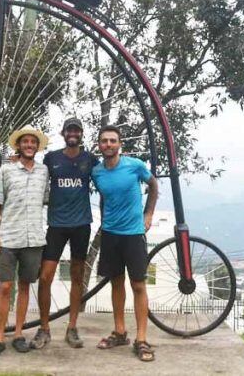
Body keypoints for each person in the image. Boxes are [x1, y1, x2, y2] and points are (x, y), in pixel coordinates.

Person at [29, 117, 98, 350]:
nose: (73, 133)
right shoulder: (51, 159)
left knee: (77, 277)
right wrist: (17, 159)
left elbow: (108, 175)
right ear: (63, 132)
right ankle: (44, 328)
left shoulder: (89, 159)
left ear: (81, 134)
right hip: (56, 225)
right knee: (46, 276)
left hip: (81, 225)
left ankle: (72, 327)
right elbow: (34, 174)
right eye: (69, 129)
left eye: (77, 130)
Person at [91, 124, 158, 362]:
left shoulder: (134, 166)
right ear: (99, 145)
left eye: (112, 141)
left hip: (133, 234)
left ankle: (141, 339)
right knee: (116, 284)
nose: (108, 144)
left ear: (119, 144)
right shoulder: (97, 172)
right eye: (104, 141)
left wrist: (148, 215)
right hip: (110, 235)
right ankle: (120, 332)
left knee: (138, 285)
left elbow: (153, 185)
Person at [0, 125, 50, 358]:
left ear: (37, 146)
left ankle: (19, 334)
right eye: (25, 142)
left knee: (24, 287)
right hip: (9, 237)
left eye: (33, 142)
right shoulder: (6, 171)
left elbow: (46, 199)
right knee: (4, 287)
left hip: (33, 239)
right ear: (19, 145)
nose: (29, 145)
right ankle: (0, 336)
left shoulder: (44, 172)